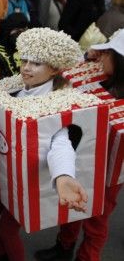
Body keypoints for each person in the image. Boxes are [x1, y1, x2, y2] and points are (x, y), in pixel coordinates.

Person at [0, 28, 89, 261]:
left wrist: (63, 175)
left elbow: (60, 141)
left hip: (26, 177)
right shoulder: (20, 86)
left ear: (55, 69)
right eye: (25, 60)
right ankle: (1, 256)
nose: (26, 67)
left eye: (36, 63)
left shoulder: (56, 101)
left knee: (8, 230)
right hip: (4, 168)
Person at [34, 29, 124, 261]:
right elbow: (65, 74)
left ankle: (87, 257)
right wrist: (88, 57)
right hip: (82, 154)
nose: (101, 57)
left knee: (97, 218)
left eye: (108, 54)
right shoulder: (100, 75)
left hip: (109, 172)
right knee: (72, 204)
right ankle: (64, 247)